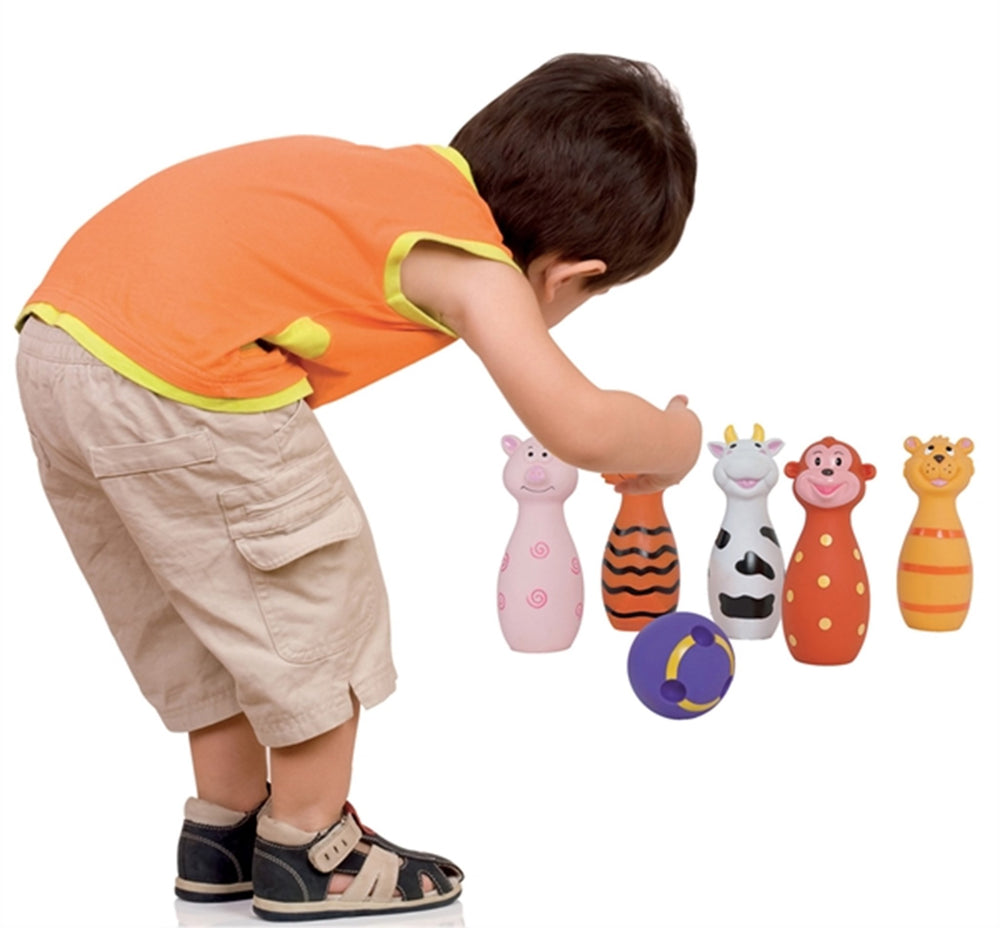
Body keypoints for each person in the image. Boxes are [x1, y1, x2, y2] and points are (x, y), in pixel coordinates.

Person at [15, 53, 701, 921]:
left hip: (59, 337)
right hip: (181, 370)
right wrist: (673, 444)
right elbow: (580, 425)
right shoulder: (477, 261)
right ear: (570, 276)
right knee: (314, 599)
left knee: (212, 605)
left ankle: (225, 828)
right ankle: (310, 845)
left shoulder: (399, 185)